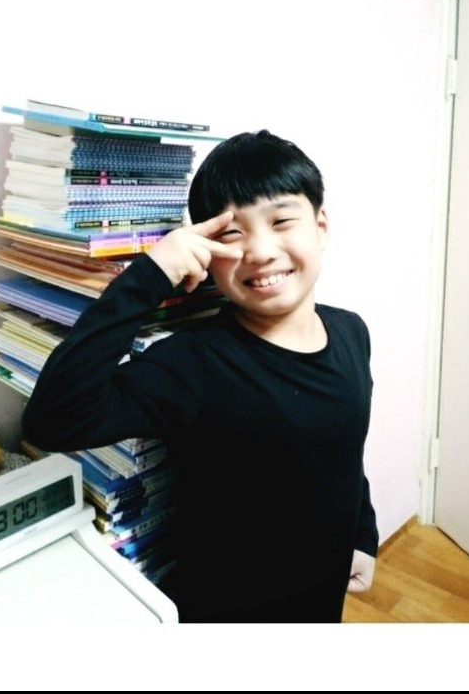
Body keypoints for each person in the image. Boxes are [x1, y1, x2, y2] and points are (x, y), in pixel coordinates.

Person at [21, 130, 378, 623]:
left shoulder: (352, 332)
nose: (260, 251)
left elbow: (344, 451)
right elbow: (53, 420)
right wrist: (150, 275)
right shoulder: (194, 364)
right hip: (229, 609)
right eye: (232, 234)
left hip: (323, 591)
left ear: (320, 227)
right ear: (207, 253)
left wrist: (363, 535)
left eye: (281, 221)